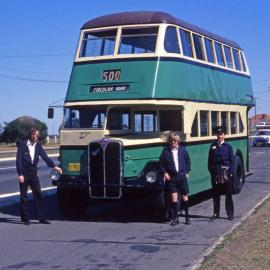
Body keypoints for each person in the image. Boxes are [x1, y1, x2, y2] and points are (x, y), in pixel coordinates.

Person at [16, 128, 62, 225]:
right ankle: (25, 219)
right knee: (24, 197)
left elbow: (45, 157)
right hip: (24, 173)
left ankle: (41, 218)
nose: (36, 137)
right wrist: (20, 174)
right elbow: (19, 160)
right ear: (30, 135)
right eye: (34, 135)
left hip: (33, 173)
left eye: (37, 135)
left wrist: (54, 166)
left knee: (38, 195)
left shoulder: (38, 145)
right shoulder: (23, 144)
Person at [159, 132, 191, 225]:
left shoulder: (183, 150)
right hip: (172, 178)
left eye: (175, 141)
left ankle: (187, 217)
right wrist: (165, 173)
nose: (173, 142)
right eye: (171, 141)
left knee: (185, 196)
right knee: (174, 197)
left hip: (181, 177)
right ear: (169, 141)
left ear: (178, 141)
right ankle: (175, 218)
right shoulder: (165, 152)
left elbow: (188, 162)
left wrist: (187, 172)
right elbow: (160, 164)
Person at [208, 126, 235, 221]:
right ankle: (216, 213)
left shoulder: (228, 146)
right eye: (218, 134)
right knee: (216, 195)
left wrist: (230, 173)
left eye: (221, 134)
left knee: (228, 194)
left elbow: (232, 161)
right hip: (216, 173)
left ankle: (230, 214)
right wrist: (212, 172)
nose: (220, 136)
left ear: (224, 135)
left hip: (226, 173)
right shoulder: (213, 146)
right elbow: (210, 161)